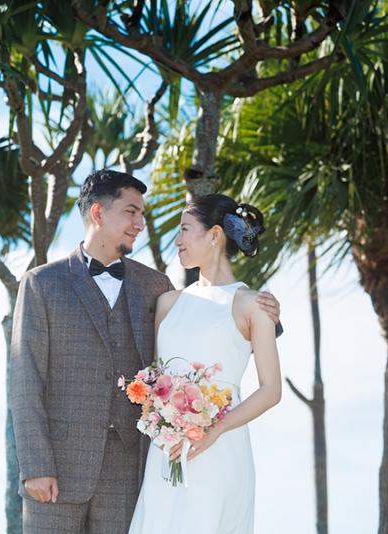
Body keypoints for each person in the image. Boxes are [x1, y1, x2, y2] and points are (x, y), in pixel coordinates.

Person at [10, 170, 281, 534]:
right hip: (60, 468)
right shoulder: (42, 284)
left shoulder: (155, 286)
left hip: (134, 472)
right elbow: (25, 380)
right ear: (97, 213)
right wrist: (35, 466)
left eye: (142, 214)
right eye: (131, 212)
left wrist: (270, 314)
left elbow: (217, 327)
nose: (141, 224)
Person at [127, 194, 282, 534]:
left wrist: (216, 430)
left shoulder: (253, 305)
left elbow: (271, 390)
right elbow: (157, 377)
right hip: (166, 451)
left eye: (185, 229)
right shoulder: (168, 303)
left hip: (220, 450)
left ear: (214, 235)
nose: (177, 240)